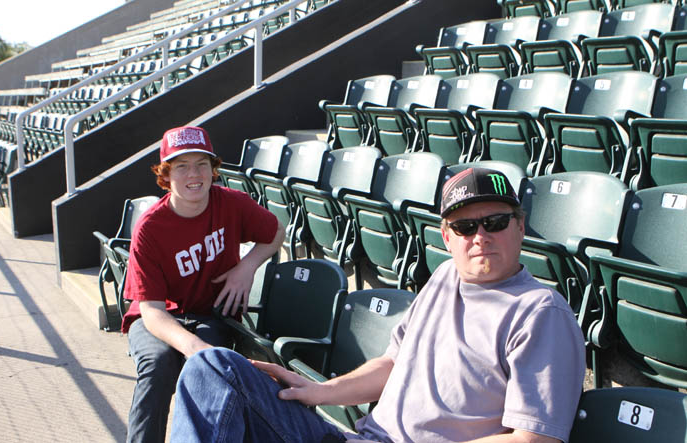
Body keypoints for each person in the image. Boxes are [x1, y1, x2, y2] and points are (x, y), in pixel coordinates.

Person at [169, 167, 586, 443]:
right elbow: (392, 364)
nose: (480, 237)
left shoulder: (539, 312)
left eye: (495, 222)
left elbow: (536, 438)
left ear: (520, 226)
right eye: (464, 227)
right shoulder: (445, 277)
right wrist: (320, 392)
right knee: (212, 367)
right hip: (361, 437)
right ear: (446, 237)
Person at [121, 125, 285, 443]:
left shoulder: (232, 203)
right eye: (182, 166)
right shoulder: (150, 227)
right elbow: (152, 311)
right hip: (158, 317)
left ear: (213, 169)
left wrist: (247, 267)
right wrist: (193, 347)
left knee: (208, 373)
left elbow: (276, 232)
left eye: (201, 164)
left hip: (211, 313)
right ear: (166, 175)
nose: (193, 174)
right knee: (157, 366)